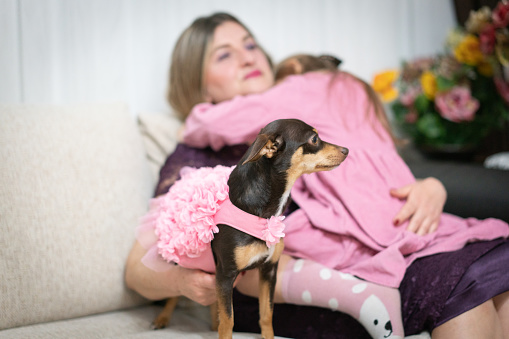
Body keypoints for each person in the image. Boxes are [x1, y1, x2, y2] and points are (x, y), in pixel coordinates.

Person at [125, 12, 509, 339]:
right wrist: (181, 284)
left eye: (250, 44)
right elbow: (137, 267)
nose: (246, 57)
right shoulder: (197, 155)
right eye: (225, 54)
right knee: (465, 287)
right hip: (310, 284)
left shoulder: (304, 120)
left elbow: (373, 168)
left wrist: (432, 187)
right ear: (198, 84)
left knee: (495, 276)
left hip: (386, 241)